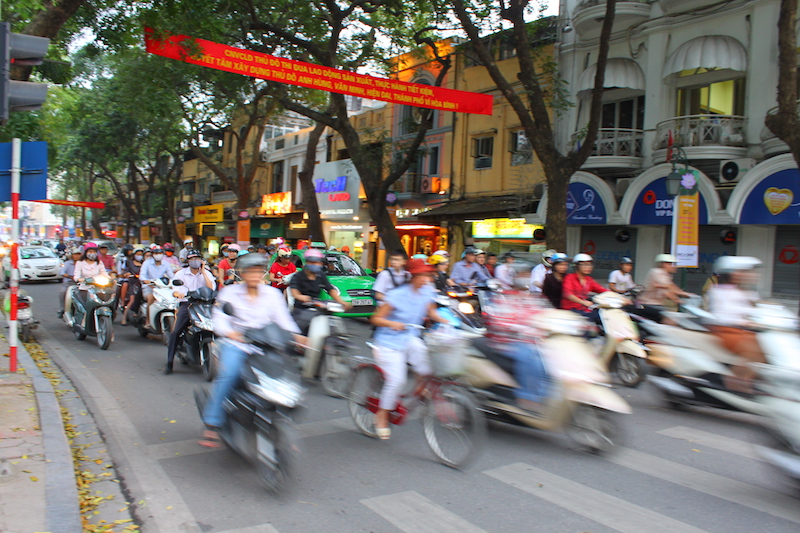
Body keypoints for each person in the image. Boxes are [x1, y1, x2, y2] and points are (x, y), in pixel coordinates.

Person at [199, 253, 303, 447]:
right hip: (237, 345)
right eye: (251, 271)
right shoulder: (228, 294)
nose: (255, 275)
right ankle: (212, 423)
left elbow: (284, 320)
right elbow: (219, 319)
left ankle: (283, 427)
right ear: (242, 273)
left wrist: (297, 337)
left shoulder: (272, 294)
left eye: (259, 271)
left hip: (267, 347)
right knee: (228, 375)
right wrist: (231, 333)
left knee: (286, 378)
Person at [370, 259, 450, 439]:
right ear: (413, 276)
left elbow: (431, 312)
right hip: (388, 343)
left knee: (428, 366)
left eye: (428, 275)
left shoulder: (428, 291)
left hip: (410, 338)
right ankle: (382, 415)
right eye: (422, 275)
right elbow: (376, 319)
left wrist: (447, 321)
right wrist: (392, 323)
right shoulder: (397, 295)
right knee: (396, 380)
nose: (426, 279)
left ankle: (418, 392)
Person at [481, 261, 550, 412]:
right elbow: (498, 321)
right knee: (530, 355)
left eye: (527, 274)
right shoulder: (503, 297)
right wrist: (522, 329)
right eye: (522, 274)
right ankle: (527, 397)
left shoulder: (532, 298)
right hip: (506, 342)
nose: (525, 277)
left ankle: (546, 395)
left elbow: (542, 316)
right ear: (515, 277)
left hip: (529, 340)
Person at [706, 256, 765, 394]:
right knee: (754, 351)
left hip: (744, 330)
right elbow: (726, 315)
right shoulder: (721, 291)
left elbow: (758, 309)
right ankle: (736, 381)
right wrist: (747, 321)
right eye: (743, 271)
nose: (751, 275)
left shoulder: (748, 292)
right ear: (730, 274)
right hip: (727, 331)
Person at [164, 250, 216, 374]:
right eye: (192, 258)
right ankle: (169, 362)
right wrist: (178, 293)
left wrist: (203, 272)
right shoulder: (181, 274)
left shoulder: (206, 273)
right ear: (188, 261)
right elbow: (176, 289)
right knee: (176, 331)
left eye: (197, 258)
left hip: (205, 304)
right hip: (188, 304)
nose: (195, 260)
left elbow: (211, 288)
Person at [289, 249, 350, 333]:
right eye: (312, 262)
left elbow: (330, 289)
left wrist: (341, 301)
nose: (316, 265)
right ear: (307, 262)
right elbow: (294, 292)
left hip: (317, 309)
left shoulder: (321, 275)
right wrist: (302, 297)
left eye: (318, 262)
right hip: (301, 310)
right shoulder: (297, 276)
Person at [636, 254, 690, 321]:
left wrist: (683, 294)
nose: (674, 267)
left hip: (658, 304)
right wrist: (679, 299)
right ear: (664, 264)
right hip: (649, 304)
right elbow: (667, 288)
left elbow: (671, 286)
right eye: (671, 264)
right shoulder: (656, 272)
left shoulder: (666, 275)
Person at [561, 253, 606, 318]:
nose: (588, 267)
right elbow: (567, 294)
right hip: (571, 310)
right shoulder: (569, 277)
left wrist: (619, 297)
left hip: (585, 309)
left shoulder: (589, 280)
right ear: (577, 266)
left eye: (590, 265)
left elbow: (602, 290)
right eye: (585, 265)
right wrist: (583, 302)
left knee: (604, 316)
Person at [139, 246, 174, 328]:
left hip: (162, 288)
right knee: (151, 298)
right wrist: (146, 281)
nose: (158, 255)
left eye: (160, 253)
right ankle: (148, 320)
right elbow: (142, 276)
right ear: (152, 254)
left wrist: (176, 281)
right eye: (156, 253)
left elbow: (172, 276)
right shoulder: (147, 263)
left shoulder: (166, 264)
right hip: (149, 287)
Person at [72, 243, 109, 307]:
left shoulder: (99, 263)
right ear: (86, 252)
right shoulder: (80, 263)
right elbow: (76, 275)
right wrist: (79, 279)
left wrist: (110, 279)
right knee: (85, 305)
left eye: (94, 251)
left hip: (98, 288)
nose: (92, 253)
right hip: (84, 287)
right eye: (90, 251)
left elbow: (104, 273)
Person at [120, 247, 146, 326]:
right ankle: (124, 317)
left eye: (141, 254)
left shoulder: (145, 263)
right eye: (137, 254)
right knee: (132, 300)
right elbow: (125, 271)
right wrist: (127, 274)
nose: (139, 256)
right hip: (133, 282)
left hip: (144, 283)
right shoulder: (129, 262)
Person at [57, 249, 82, 318]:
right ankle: (62, 309)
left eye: (78, 254)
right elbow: (62, 272)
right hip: (69, 282)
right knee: (62, 292)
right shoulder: (67, 263)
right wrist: (70, 276)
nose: (77, 256)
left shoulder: (83, 263)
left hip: (81, 282)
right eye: (75, 254)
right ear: (72, 255)